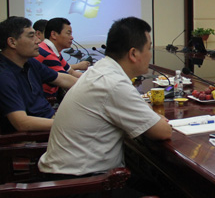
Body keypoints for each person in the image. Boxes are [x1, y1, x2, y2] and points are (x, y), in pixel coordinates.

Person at [38, 16, 172, 175]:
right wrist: (156, 119)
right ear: (133, 53)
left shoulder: (102, 69)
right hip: (79, 182)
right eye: (149, 48)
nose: (150, 54)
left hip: (68, 172)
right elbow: (162, 132)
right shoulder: (113, 83)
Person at [0, 16, 77, 132]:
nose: (38, 41)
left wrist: (93, 86)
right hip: (36, 134)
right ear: (12, 42)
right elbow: (22, 123)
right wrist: (67, 124)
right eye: (31, 36)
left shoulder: (29, 62)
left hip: (51, 121)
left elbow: (63, 79)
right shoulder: (4, 76)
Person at [34, 17, 89, 99]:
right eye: (68, 33)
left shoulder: (51, 50)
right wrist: (93, 84)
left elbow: (71, 72)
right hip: (43, 100)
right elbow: (67, 80)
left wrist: (91, 79)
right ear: (53, 35)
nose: (72, 37)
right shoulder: (47, 54)